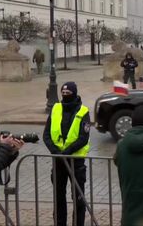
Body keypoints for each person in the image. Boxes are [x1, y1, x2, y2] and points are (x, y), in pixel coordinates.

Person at [43, 82, 91, 226]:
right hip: (58, 160)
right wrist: (56, 151)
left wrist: (67, 152)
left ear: (74, 94)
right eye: (63, 94)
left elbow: (83, 138)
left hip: (75, 161)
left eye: (68, 93)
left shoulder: (83, 111)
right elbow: (46, 134)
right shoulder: (56, 108)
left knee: (78, 198)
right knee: (58, 198)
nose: (65, 96)